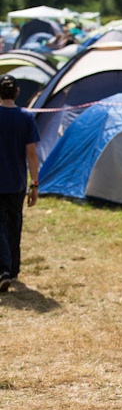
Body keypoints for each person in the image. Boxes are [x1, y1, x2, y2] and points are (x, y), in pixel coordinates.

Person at [0, 74, 40, 291]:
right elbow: (32, 154)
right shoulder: (26, 117)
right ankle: (13, 268)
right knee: (15, 225)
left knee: (0, 227)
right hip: (16, 182)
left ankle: (3, 270)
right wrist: (35, 183)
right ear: (16, 92)